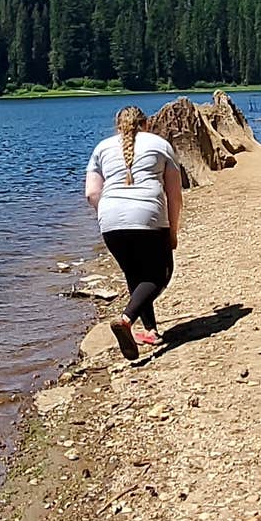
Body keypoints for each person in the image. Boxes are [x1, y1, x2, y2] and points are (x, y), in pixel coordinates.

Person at [82, 103, 186, 364]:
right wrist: (172, 231)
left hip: (110, 219)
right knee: (160, 275)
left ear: (118, 125)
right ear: (146, 124)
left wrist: (108, 215)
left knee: (135, 274)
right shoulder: (160, 144)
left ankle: (150, 331)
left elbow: (91, 193)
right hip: (148, 216)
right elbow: (174, 195)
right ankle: (126, 320)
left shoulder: (101, 148)